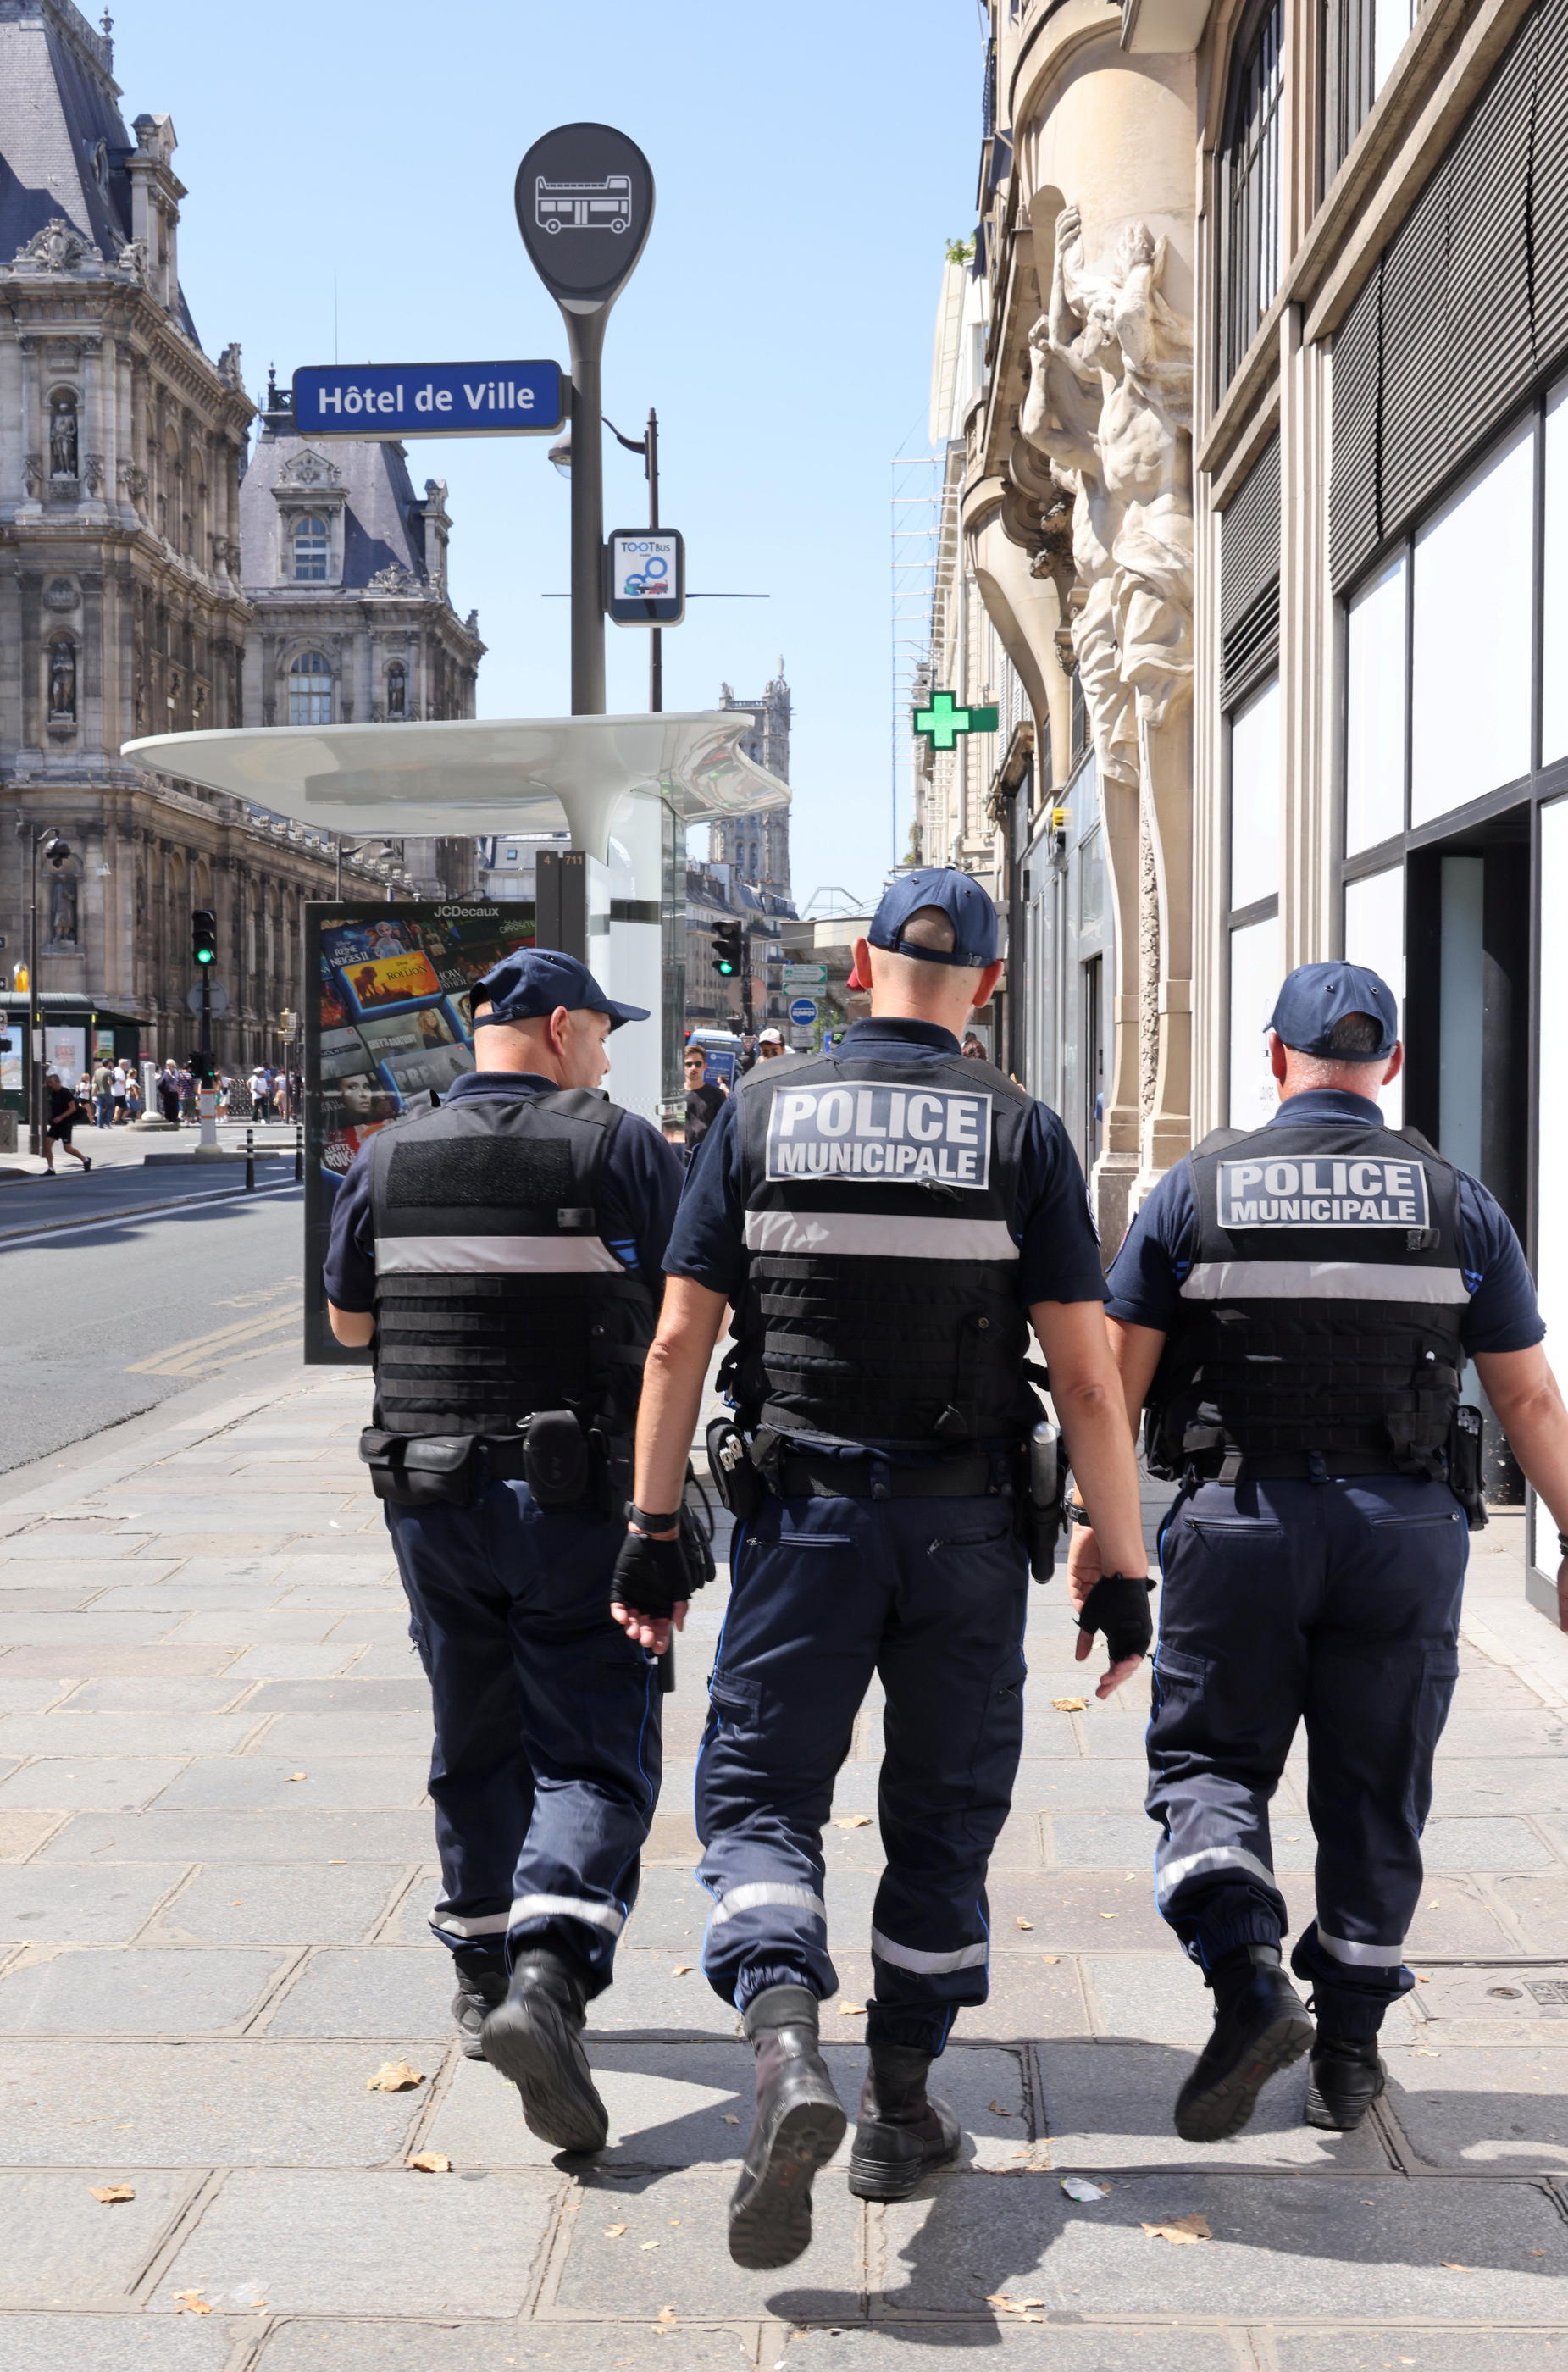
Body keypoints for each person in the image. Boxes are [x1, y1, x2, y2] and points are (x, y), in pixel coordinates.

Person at [614, 867, 1150, 2269]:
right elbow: (1089, 1379)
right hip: (966, 1529)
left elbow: (676, 1345)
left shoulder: (759, 1111)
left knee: (763, 1795)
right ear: (982, 982)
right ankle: (900, 2108)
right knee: (943, 1812)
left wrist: (651, 1529)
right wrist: (1124, 1556)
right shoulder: (1020, 1133)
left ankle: (786, 2050)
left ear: (860, 969)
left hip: (799, 1522)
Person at [1073, 961, 1568, 2145]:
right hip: (1400, 1538)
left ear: (1270, 1054)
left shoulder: (1191, 1193)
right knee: (1372, 1788)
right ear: (1387, 1064)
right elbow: (1527, 1401)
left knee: (1206, 1768)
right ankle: (1346, 2055)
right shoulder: (1455, 1202)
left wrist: (1105, 1538)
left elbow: (1108, 1382)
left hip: (1237, 1529)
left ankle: (1246, 1980)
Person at [322, 947, 687, 2155]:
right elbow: (687, 1312)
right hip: (574, 1503)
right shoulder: (619, 1143)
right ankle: (549, 1968)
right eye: (601, 1031)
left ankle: (479, 1975)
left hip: (429, 1499)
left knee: (470, 1724)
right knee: (591, 1743)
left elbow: (349, 1319)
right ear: (558, 1026)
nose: (607, 1053)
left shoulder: (387, 1152)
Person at [42, 1071, 91, 1176]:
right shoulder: (53, 1093)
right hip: (56, 1123)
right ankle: (51, 1169)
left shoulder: (65, 1092)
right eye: (48, 1082)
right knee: (47, 1143)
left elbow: (72, 1108)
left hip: (65, 1123)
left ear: (57, 1082)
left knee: (67, 1148)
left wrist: (61, 1117)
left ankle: (85, 1160)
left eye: (51, 1082)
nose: (49, 1084)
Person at [683, 1047, 725, 1151]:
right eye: (689, 1064)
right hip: (680, 1157)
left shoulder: (716, 1094)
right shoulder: (673, 1095)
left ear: (704, 1066)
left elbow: (723, 1127)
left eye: (698, 1064)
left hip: (706, 1155)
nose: (694, 1068)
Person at [91, 1060, 114, 1130]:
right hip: (106, 1091)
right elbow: (109, 1082)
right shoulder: (108, 1071)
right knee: (110, 1107)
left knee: (99, 1108)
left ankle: (99, 1125)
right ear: (108, 1064)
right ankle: (107, 1122)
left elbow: (93, 1081)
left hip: (98, 1092)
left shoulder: (97, 1071)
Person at [157, 1060, 181, 1126]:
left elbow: (177, 1083)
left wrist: (179, 1093)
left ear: (172, 1065)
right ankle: (168, 1119)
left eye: (168, 1064)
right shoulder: (165, 1072)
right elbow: (161, 1082)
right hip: (167, 1092)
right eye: (166, 1064)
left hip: (174, 1092)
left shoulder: (176, 1072)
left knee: (174, 1106)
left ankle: (173, 1119)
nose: (167, 1066)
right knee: (167, 1106)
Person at [110, 1061, 129, 1125]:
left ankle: (117, 1119)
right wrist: (126, 1081)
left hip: (113, 1091)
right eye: (125, 1064)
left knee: (118, 1106)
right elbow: (121, 1081)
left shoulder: (114, 1070)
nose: (126, 1066)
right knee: (119, 1106)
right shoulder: (121, 1071)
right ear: (122, 1064)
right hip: (119, 1092)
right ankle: (115, 1119)